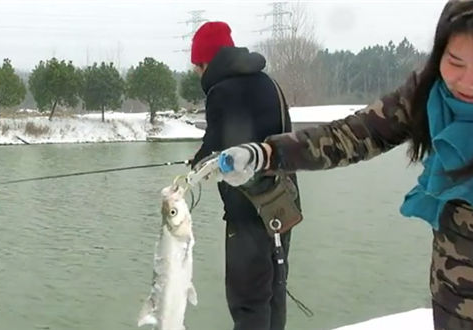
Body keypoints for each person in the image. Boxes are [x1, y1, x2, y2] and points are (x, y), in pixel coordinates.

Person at [215, 1, 473, 329]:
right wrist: (265, 155)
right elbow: (350, 136)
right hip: (451, 299)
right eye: (455, 62)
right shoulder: (427, 92)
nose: (466, 82)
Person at [189, 21, 301, 330]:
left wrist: (195, 164)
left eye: (198, 66)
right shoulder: (269, 83)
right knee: (275, 291)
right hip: (283, 204)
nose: (198, 74)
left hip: (247, 212)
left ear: (206, 61)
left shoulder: (221, 90)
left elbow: (214, 145)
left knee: (247, 300)